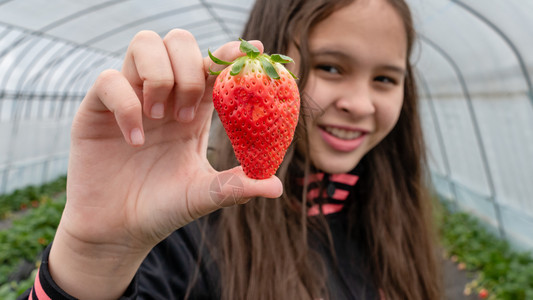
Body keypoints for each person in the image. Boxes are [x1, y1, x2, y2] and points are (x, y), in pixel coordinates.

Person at [20, 0, 443, 299]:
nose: (361, 104)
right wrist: (95, 254)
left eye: (385, 79)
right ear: (273, 60)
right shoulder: (183, 232)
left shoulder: (391, 215)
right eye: (331, 67)